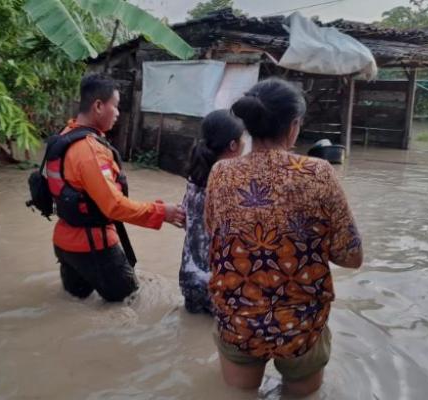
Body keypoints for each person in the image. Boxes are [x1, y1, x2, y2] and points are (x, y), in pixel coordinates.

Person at [204, 78, 363, 396]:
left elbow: (215, 235)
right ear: (294, 126)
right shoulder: (317, 173)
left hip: (239, 319)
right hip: (300, 326)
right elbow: (352, 256)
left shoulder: (220, 173)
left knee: (238, 395)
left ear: (248, 126)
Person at [48, 74, 185, 302]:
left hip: (64, 244)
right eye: (116, 106)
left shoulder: (64, 136)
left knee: (75, 305)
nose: (118, 113)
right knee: (131, 303)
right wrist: (163, 212)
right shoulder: (90, 151)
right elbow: (114, 206)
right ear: (99, 106)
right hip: (94, 248)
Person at [179, 110, 244, 314]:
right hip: (216, 284)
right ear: (233, 146)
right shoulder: (230, 186)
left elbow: (185, 221)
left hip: (189, 277)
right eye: (243, 140)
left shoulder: (194, 180)